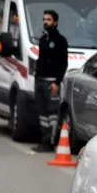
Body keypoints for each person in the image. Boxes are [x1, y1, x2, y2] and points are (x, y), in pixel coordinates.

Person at [33, 9, 68, 153]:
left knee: (52, 113)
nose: (45, 22)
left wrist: (57, 83)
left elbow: (63, 63)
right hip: (40, 81)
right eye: (44, 19)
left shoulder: (60, 41)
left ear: (55, 22)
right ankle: (44, 140)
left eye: (48, 19)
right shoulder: (42, 40)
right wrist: (36, 78)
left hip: (51, 82)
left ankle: (51, 141)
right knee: (42, 113)